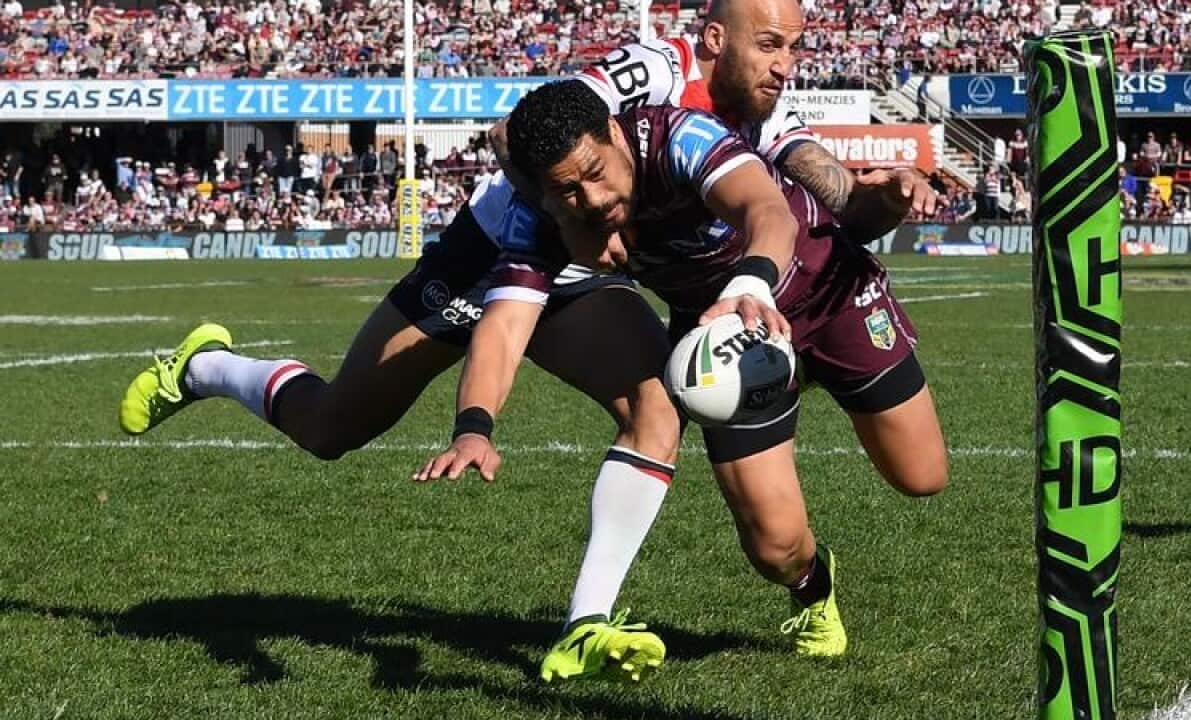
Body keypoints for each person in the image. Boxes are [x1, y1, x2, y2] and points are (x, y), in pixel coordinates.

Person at [118, 0, 935, 684]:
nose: (784, 64)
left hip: (590, 258)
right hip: (497, 252)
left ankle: (586, 621)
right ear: (718, 40)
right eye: (771, 45)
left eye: (794, 48)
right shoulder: (642, 79)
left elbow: (798, 182)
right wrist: (566, 215)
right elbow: (526, 140)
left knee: (655, 406)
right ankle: (209, 366)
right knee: (333, 427)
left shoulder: (741, 113)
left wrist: (871, 201)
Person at [422, 80, 947, 675]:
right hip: (726, 339)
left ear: (615, 134)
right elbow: (505, 324)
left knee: (922, 476)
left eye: (596, 172)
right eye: (567, 190)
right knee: (776, 549)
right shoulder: (540, 214)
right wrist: (473, 426)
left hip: (829, 293)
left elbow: (767, 211)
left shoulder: (678, 137)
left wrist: (748, 283)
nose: (591, 199)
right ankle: (814, 589)